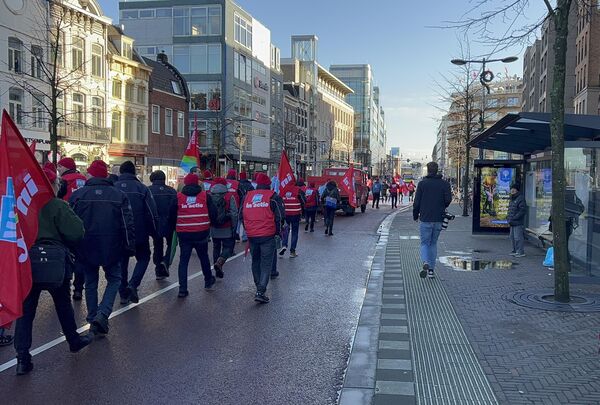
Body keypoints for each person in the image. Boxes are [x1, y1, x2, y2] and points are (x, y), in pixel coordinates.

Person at [14, 167, 93, 375]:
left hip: (27, 261)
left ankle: (22, 357)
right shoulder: (58, 205)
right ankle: (73, 340)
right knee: (63, 304)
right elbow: (77, 232)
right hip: (55, 261)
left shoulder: (22, 205)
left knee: (26, 311)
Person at [70, 160, 135, 337]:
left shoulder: (78, 195)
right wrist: (129, 245)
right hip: (112, 246)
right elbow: (127, 223)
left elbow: (71, 223)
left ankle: (93, 318)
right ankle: (102, 313)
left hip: (86, 246)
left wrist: (72, 247)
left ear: (91, 174)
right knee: (115, 279)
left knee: (90, 282)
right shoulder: (118, 195)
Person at [115, 161, 158, 305]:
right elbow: (151, 212)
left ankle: (123, 293)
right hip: (139, 231)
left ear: (120, 172)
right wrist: (154, 231)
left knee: (122, 262)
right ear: (134, 173)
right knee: (144, 257)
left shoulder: (113, 188)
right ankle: (133, 284)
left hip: (119, 233)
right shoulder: (142, 188)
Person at [241, 173, 284, 303]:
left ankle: (258, 286)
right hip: (267, 235)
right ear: (269, 184)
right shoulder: (273, 197)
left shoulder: (247, 197)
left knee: (256, 261)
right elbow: (280, 216)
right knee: (266, 263)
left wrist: (248, 229)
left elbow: (241, 215)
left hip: (252, 235)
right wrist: (278, 232)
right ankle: (261, 290)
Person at [176, 173, 218, 297]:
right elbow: (213, 212)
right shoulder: (205, 196)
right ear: (198, 183)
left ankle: (182, 289)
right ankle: (208, 280)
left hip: (184, 233)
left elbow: (172, 214)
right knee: (203, 257)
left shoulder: (178, 197)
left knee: (183, 261)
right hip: (201, 231)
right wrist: (212, 224)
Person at [413, 162, 452, 279]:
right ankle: (431, 271)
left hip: (425, 218)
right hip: (439, 218)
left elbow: (417, 202)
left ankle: (425, 261)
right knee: (433, 243)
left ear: (428, 170)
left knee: (425, 243)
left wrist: (415, 215)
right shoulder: (445, 184)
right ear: (437, 170)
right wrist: (441, 207)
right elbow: (448, 199)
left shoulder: (422, 184)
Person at [148, 170, 178, 280]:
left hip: (155, 223)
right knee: (172, 244)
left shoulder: (148, 191)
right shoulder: (171, 191)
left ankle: (158, 268)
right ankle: (165, 261)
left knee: (157, 245)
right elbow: (176, 208)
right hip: (170, 222)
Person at [209, 177, 238, 278]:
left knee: (216, 247)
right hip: (226, 226)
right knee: (228, 247)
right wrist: (234, 227)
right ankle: (220, 262)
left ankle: (216, 269)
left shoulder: (209, 196)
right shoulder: (229, 196)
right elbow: (234, 213)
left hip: (213, 226)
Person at [280, 180, 306, 258]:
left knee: (285, 230)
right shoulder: (298, 190)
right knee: (294, 232)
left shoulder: (283, 190)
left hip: (286, 214)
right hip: (295, 214)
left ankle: (284, 245)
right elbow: (304, 201)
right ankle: (292, 251)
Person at [507, 183, 527, 258]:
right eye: (511, 189)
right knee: (512, 237)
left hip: (517, 222)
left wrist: (515, 218)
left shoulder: (520, 198)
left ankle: (520, 252)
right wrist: (508, 218)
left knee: (518, 237)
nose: (512, 190)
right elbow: (510, 209)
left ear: (517, 190)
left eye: (514, 189)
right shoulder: (512, 198)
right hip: (512, 221)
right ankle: (514, 250)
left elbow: (522, 210)